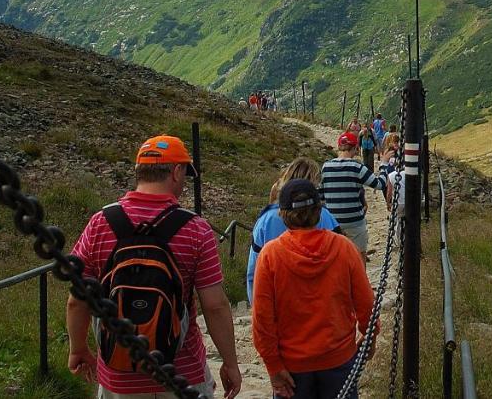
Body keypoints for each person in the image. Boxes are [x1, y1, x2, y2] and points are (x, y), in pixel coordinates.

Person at [66, 135, 242, 399]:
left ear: (140, 171)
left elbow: (77, 300)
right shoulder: (196, 230)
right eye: (184, 174)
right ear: (176, 171)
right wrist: (230, 363)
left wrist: (78, 348)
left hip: (118, 378)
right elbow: (215, 305)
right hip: (181, 374)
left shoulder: (100, 223)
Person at [252, 179, 376, 399]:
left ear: (282, 214)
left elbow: (262, 318)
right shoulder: (344, 248)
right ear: (320, 211)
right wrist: (370, 337)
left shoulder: (270, 255)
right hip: (339, 359)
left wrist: (272, 364)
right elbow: (366, 304)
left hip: (291, 366)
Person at [246, 158, 342, 305]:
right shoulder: (324, 216)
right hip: (323, 302)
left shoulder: (266, 221)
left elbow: (254, 271)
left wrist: (257, 305)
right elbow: (341, 262)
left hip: (280, 303)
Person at [321, 136, 385, 256]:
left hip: (333, 222)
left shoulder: (326, 167)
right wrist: (384, 166)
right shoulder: (356, 167)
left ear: (339, 146)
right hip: (354, 221)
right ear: (356, 148)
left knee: (336, 257)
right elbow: (379, 184)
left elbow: (320, 196)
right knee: (359, 256)